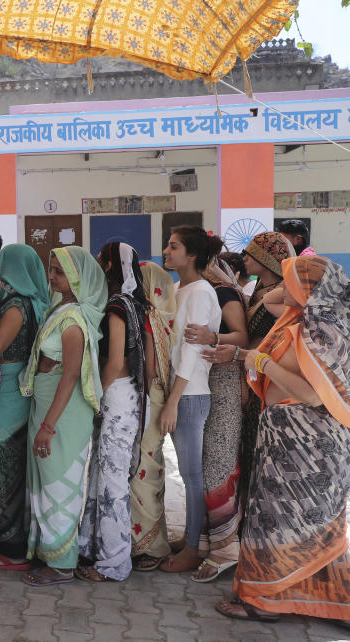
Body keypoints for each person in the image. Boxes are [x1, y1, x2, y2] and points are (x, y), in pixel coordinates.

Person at [215, 255, 350, 625]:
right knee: (287, 520)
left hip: (309, 445)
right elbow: (275, 301)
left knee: (292, 522)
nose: (280, 290)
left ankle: (265, 600)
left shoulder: (323, 331)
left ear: (308, 291)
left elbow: (312, 396)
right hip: (287, 440)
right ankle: (307, 599)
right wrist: (294, 288)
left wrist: (260, 363)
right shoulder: (300, 316)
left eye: (290, 282)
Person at [20, 246, 107, 586]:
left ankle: (62, 564)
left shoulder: (73, 321)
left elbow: (70, 376)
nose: (51, 276)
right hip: (47, 401)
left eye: (59, 272)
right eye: (51, 269)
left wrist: (47, 426)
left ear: (77, 278)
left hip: (62, 410)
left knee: (59, 481)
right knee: (45, 478)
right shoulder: (61, 309)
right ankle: (48, 552)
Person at [77, 242, 148, 583]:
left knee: (111, 482)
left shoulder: (117, 306)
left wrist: (94, 395)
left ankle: (114, 563)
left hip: (116, 396)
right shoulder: (136, 304)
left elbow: (116, 362)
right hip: (128, 397)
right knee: (102, 477)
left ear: (107, 266)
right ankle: (92, 547)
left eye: (98, 260)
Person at [205, 232, 294, 500]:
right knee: (247, 448)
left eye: (250, 254)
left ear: (266, 260)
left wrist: (236, 354)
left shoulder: (281, 296)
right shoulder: (257, 289)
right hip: (251, 372)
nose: (244, 259)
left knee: (260, 449)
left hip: (268, 380)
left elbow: (275, 342)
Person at [0, 244, 49, 570]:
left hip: (10, 391)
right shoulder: (31, 302)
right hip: (12, 390)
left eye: (0, 266)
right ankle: (10, 539)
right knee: (7, 463)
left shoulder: (17, 307)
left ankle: (13, 548)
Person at [182, 241, 249, 582]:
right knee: (208, 463)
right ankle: (206, 541)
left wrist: (212, 336)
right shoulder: (200, 291)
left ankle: (225, 552)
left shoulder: (224, 293)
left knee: (217, 467)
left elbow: (243, 337)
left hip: (223, 383)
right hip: (208, 382)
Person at [159, 226, 222, 573]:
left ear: (192, 255)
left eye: (173, 246)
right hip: (178, 392)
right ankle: (190, 537)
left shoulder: (199, 292)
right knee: (186, 473)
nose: (166, 252)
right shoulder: (179, 288)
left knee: (191, 474)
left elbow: (193, 351)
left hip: (190, 393)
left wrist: (173, 401)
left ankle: (194, 549)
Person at [129, 261, 176, 571]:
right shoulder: (165, 318)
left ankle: (150, 546)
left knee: (142, 469)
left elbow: (145, 367)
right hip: (158, 394)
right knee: (150, 467)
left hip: (146, 397)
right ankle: (149, 540)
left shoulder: (147, 318)